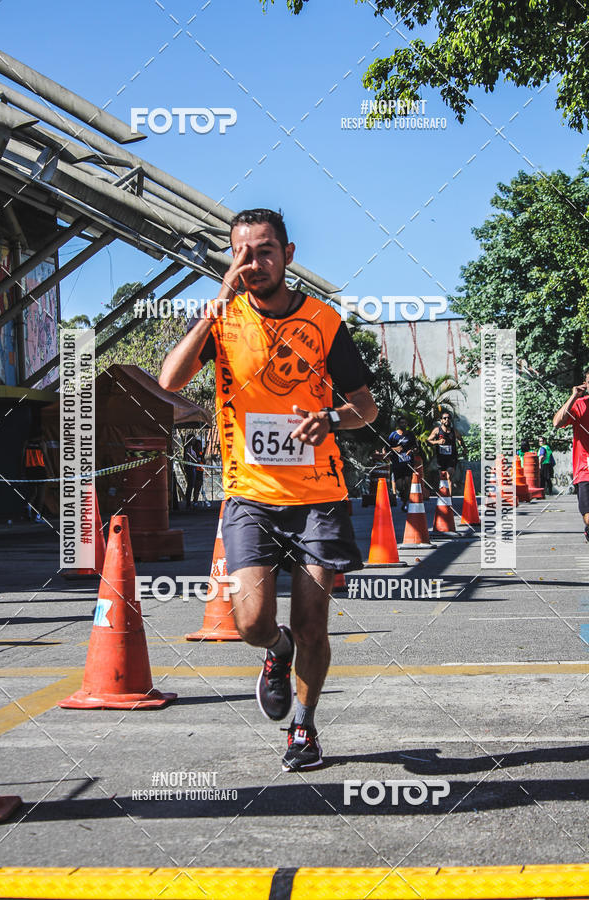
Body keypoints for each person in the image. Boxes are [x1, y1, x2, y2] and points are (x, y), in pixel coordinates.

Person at [159, 208, 377, 771]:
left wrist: (331, 418)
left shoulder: (324, 322)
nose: (252, 263)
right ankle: (276, 652)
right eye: (241, 253)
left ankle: (303, 727)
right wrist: (215, 306)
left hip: (318, 497)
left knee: (312, 623)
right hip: (250, 497)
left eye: (264, 251)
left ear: (288, 254)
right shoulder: (223, 319)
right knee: (251, 623)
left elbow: (366, 407)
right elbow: (169, 380)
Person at [553, 372, 589, 540]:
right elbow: (557, 422)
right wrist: (574, 396)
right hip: (585, 470)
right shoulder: (580, 405)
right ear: (585, 384)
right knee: (587, 516)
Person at [427, 412, 467, 493]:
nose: (447, 420)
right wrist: (437, 442)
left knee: (449, 476)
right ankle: (443, 495)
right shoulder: (437, 430)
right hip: (441, 458)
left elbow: (460, 439)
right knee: (442, 477)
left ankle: (450, 498)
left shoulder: (454, 431)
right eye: (444, 418)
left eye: (448, 418)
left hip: (451, 458)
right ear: (441, 420)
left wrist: (464, 448)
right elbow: (428, 441)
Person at [387, 416, 418, 510]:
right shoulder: (393, 435)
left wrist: (412, 450)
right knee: (399, 485)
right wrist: (395, 449)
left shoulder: (410, 435)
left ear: (407, 424)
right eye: (401, 423)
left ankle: (405, 503)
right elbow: (387, 448)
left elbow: (416, 447)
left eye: (405, 423)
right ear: (398, 424)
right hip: (397, 463)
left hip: (408, 462)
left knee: (408, 483)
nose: (403, 424)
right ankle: (403, 495)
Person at [21, 433, 49, 522]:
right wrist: (51, 472)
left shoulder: (26, 443)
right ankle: (38, 517)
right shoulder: (42, 443)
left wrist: (23, 472)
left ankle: (28, 507)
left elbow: (22, 457)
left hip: (29, 470)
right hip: (40, 470)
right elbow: (45, 457)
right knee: (41, 495)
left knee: (33, 492)